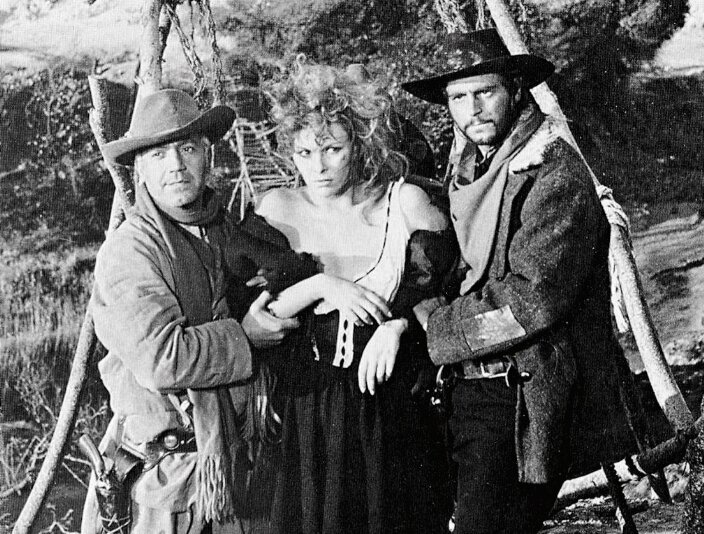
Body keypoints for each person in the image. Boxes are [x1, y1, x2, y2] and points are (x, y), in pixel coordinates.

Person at [403, 29, 631, 534]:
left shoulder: (551, 172)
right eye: (458, 97)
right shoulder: (468, 172)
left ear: (514, 89)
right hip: (467, 388)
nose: (472, 110)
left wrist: (435, 327)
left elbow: (530, 301)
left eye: (484, 92)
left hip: (523, 393)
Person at [81, 88, 318, 534]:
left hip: (241, 469)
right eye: (159, 154)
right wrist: (244, 336)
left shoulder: (225, 232)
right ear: (140, 169)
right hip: (168, 486)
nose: (176, 165)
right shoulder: (131, 251)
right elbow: (163, 359)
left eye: (188, 149)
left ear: (208, 155)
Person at [254, 60, 455, 533]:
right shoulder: (277, 209)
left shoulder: (402, 203)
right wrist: (322, 286)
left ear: (360, 144)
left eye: (332, 149)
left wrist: (399, 323)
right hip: (307, 415)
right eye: (304, 152)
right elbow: (258, 317)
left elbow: (450, 284)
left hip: (390, 408)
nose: (318, 167)